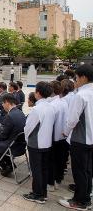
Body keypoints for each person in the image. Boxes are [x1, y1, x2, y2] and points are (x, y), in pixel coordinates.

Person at [59, 64, 93, 210]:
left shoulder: (80, 95)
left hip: (81, 139)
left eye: (76, 78)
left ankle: (80, 202)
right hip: (91, 138)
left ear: (84, 77)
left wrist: (65, 132)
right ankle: (85, 195)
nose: (75, 81)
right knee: (88, 170)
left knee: (79, 170)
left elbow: (72, 120)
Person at [23, 81, 55, 204]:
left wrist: (26, 139)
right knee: (44, 169)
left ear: (38, 93)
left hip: (36, 143)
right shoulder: (51, 106)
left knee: (36, 169)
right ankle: (43, 193)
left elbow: (28, 127)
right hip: (47, 142)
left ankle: (37, 194)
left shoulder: (37, 109)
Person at [47, 80, 69, 191]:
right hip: (64, 136)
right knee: (60, 161)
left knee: (52, 161)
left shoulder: (52, 105)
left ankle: (51, 183)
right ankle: (58, 180)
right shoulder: (64, 102)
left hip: (54, 137)